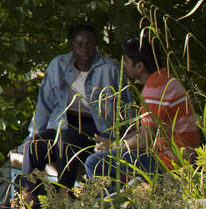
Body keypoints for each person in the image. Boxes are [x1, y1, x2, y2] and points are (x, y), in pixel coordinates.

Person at [16, 24, 129, 208]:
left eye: (90, 44)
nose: (85, 49)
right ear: (72, 47)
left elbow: (125, 106)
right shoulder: (58, 65)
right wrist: (30, 137)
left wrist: (122, 141)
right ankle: (29, 195)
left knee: (67, 139)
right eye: (80, 44)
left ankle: (64, 193)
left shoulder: (110, 69)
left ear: (97, 46)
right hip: (62, 124)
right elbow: (44, 106)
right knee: (35, 144)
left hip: (95, 130)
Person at [85, 34, 200, 193]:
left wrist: (113, 147)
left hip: (171, 160)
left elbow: (145, 139)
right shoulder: (164, 80)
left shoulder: (155, 89)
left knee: (94, 162)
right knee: (111, 161)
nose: (123, 65)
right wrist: (113, 144)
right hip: (175, 156)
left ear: (139, 66)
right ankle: (123, 200)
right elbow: (146, 132)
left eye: (126, 60)